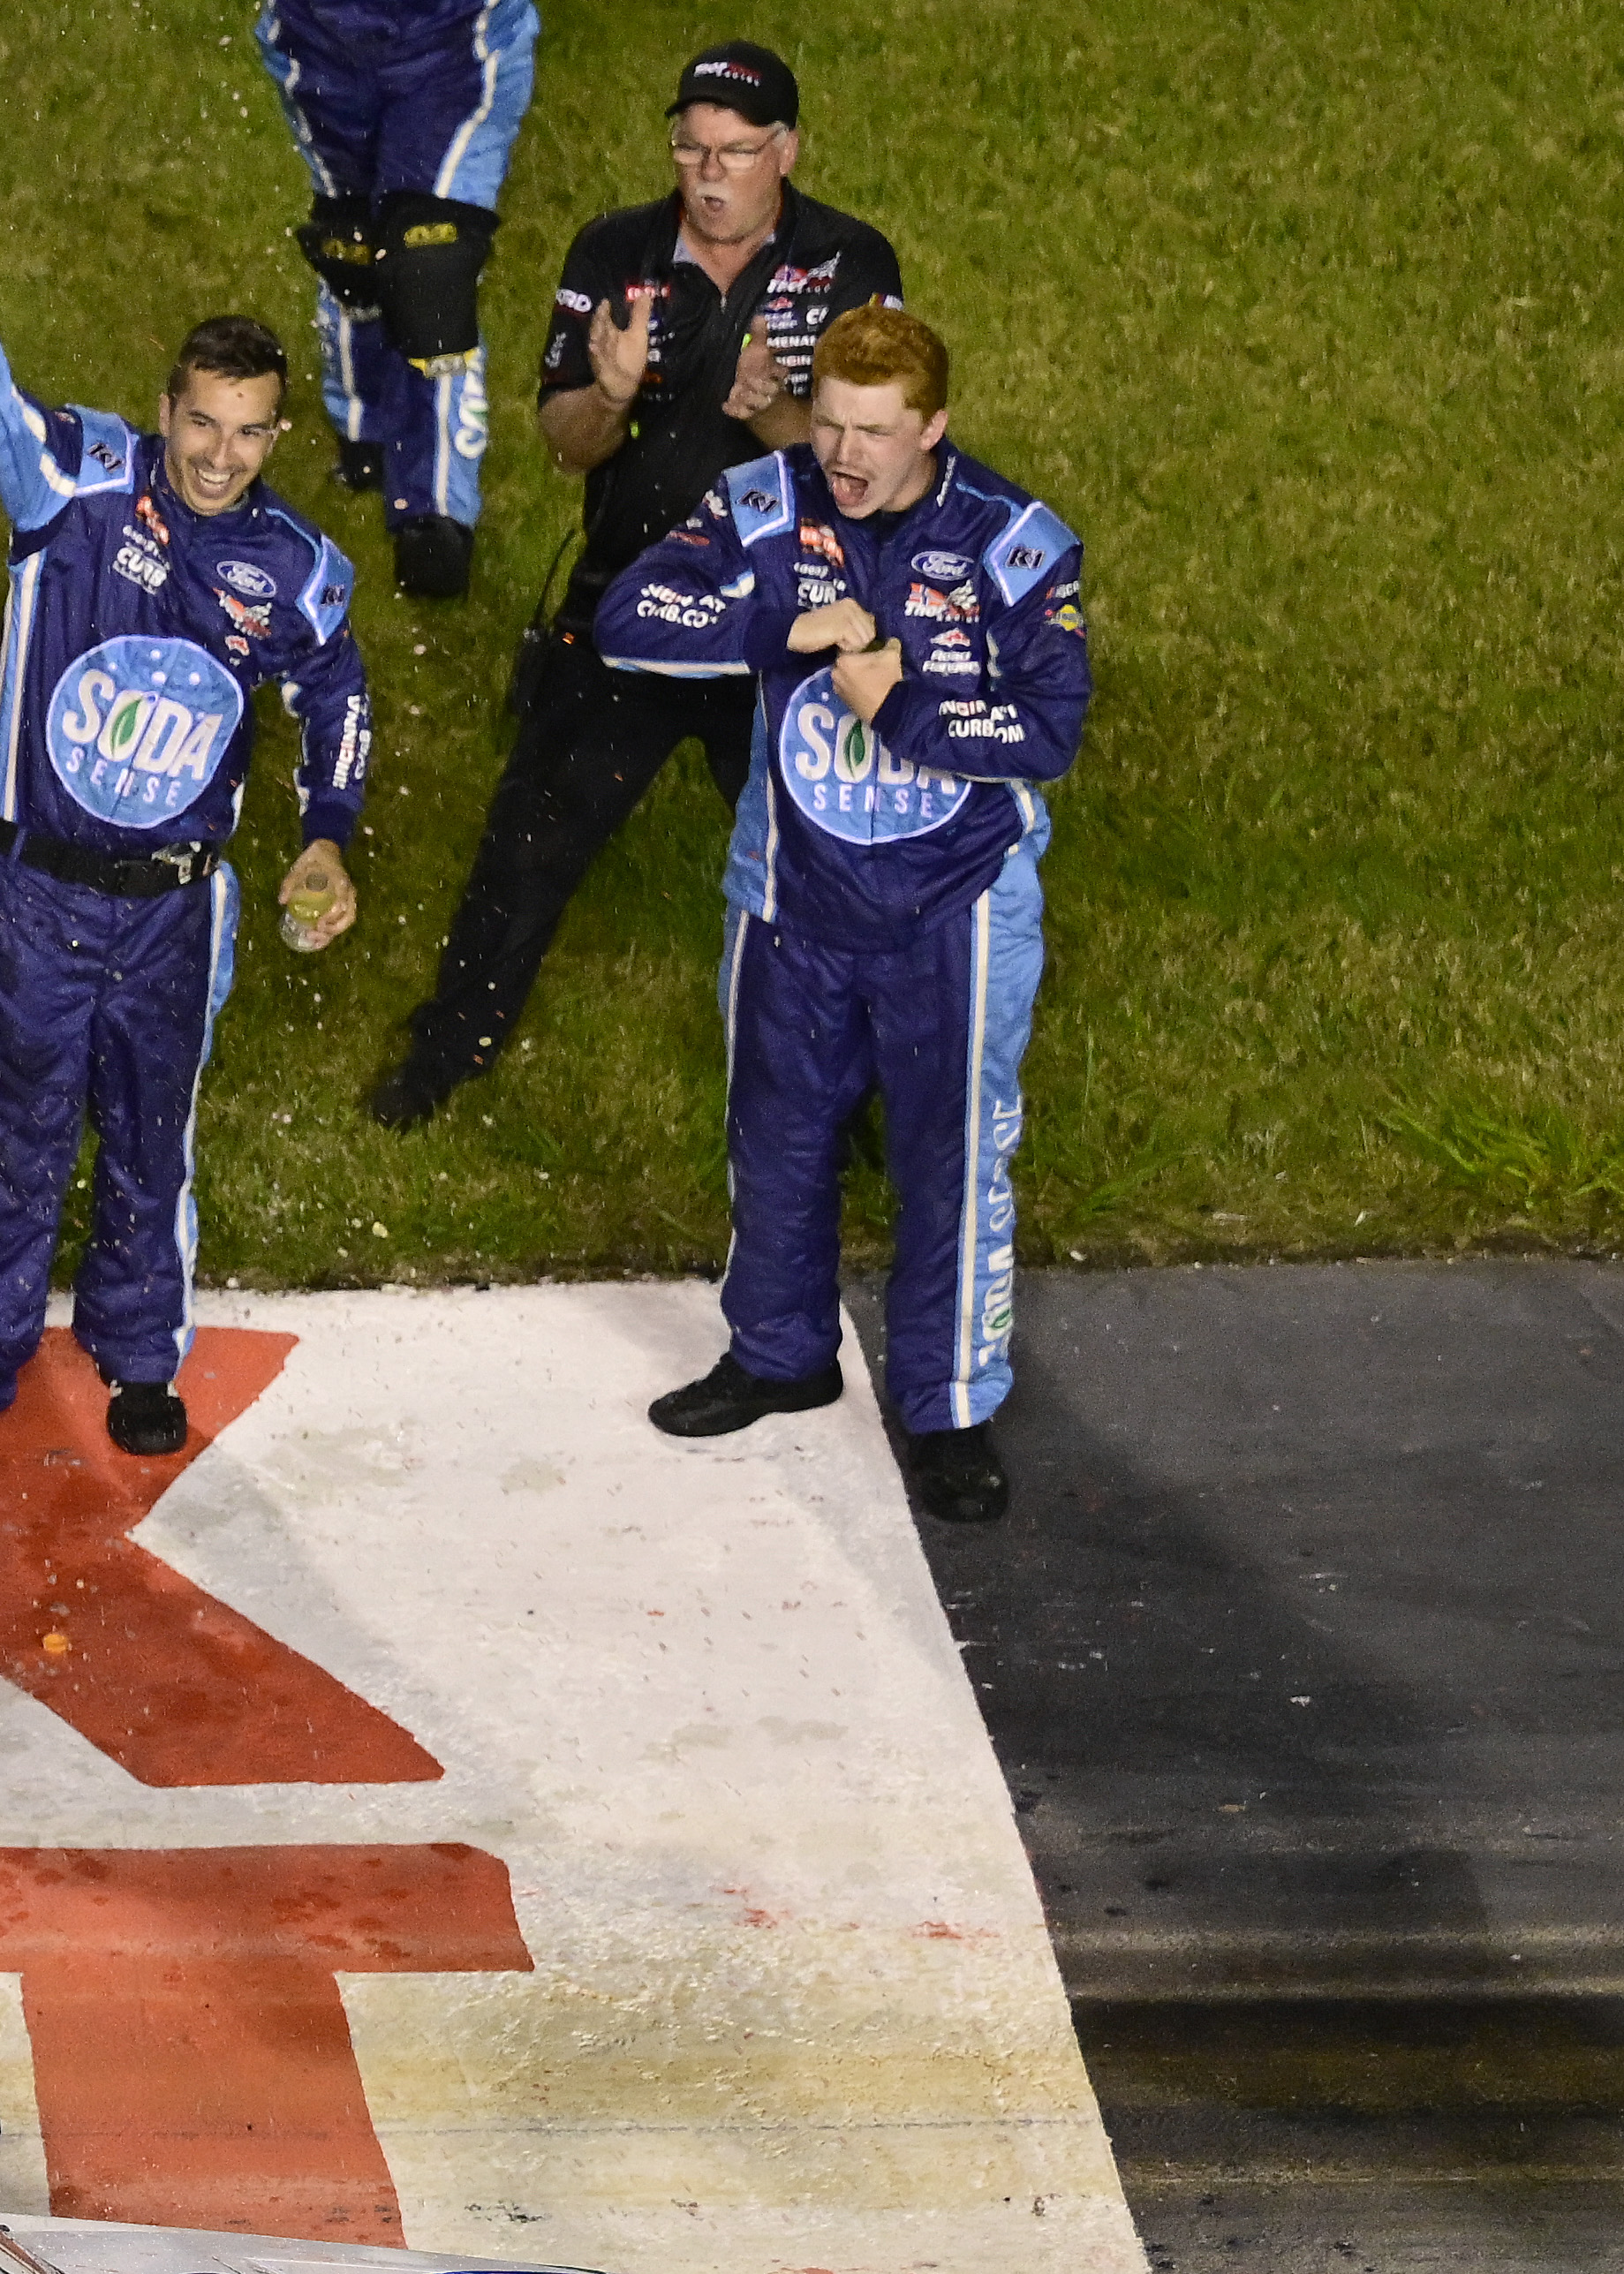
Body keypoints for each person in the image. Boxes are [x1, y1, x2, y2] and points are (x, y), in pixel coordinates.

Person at [0, 110, 370, 1497]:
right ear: (163, 411)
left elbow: (336, 699)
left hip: (177, 911)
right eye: (200, 425)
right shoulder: (72, 482)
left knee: (155, 1141)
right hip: (33, 894)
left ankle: (142, 1350)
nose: (219, 456)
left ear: (278, 434)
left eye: (250, 434)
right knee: (8, 1156)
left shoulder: (299, 567)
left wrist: (326, 839)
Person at [597, 304, 1083, 1524]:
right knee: (775, 1136)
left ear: (933, 426)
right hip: (791, 903)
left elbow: (1049, 727)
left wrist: (898, 703)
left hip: (956, 911)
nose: (846, 457)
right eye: (828, 426)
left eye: (874, 432)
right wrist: (776, 627)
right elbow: (626, 618)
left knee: (952, 1160)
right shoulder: (765, 502)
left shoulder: (1016, 543)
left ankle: (949, 1407)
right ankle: (776, 1355)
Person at [373, 41, 902, 1120]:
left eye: (736, 152)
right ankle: (449, 1050)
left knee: (830, 856)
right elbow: (567, 444)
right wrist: (608, 391)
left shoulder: (851, 266)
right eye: (689, 148)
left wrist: (766, 410)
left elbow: (872, 471)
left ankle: (857, 1097)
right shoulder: (611, 250)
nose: (708, 174)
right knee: (527, 842)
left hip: (789, 613)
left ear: (786, 152)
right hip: (636, 600)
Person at [252, 0, 540, 600]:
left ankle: (435, 509)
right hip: (317, 36)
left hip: (455, 42)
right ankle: (365, 426)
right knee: (350, 245)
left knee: (425, 269)